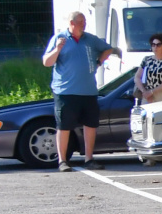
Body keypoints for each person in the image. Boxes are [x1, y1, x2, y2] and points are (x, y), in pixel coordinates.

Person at [41, 11, 118, 171]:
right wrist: (57, 49)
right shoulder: (59, 38)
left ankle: (89, 158)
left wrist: (99, 62)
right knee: (64, 126)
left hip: (88, 91)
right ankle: (62, 161)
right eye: (80, 22)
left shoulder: (90, 39)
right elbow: (46, 62)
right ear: (72, 23)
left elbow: (108, 49)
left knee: (90, 125)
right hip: (65, 92)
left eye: (84, 22)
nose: (84, 25)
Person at [134, 34, 162, 105]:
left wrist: (151, 92)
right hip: (147, 96)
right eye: (153, 45)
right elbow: (137, 77)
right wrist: (144, 92)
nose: (155, 47)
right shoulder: (146, 59)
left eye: (158, 45)